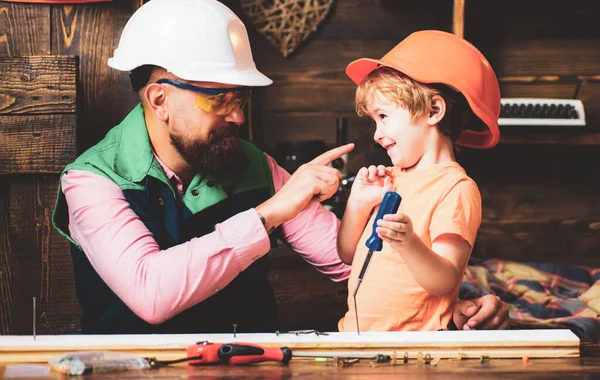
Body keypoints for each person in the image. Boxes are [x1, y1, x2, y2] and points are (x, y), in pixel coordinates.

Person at [51, 0, 508, 334]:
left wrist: (453, 302)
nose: (238, 117)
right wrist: (270, 214)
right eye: (219, 99)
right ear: (159, 99)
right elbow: (151, 294)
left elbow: (356, 264)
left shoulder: (253, 165)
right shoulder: (91, 182)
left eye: (241, 97)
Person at [337, 30, 506, 332]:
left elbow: (444, 280)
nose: (376, 134)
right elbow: (348, 254)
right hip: (356, 335)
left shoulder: (455, 189)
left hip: (413, 348)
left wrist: (408, 243)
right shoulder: (392, 180)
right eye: (374, 121)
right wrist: (358, 204)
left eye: (384, 116)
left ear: (433, 110)